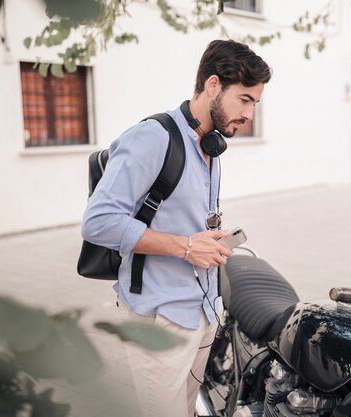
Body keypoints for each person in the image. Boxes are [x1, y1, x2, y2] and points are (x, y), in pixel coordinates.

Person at [81, 39, 272, 417]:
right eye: (245, 99)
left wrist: (206, 239)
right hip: (159, 315)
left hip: (202, 308)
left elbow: (181, 219)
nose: (250, 114)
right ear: (213, 85)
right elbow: (98, 221)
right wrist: (186, 246)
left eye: (255, 103)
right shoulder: (152, 137)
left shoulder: (211, 145)